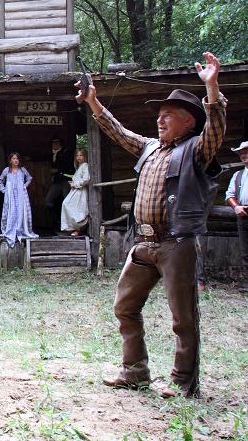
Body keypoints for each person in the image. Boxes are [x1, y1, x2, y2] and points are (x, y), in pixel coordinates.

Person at [79, 51, 224, 399]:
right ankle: (135, 372)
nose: (160, 121)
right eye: (159, 116)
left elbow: (215, 129)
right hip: (142, 244)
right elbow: (116, 131)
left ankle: (182, 381)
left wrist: (213, 88)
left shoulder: (197, 149)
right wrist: (94, 101)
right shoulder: (148, 148)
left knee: (183, 318)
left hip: (177, 243)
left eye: (168, 116)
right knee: (125, 307)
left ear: (189, 122)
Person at [0, 152, 38, 247]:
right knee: (10, 211)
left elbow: (29, 178)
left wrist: (24, 186)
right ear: (10, 160)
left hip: (21, 195)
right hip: (10, 196)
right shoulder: (7, 170)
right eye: (13, 158)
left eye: (17, 159)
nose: (15, 160)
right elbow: (0, 181)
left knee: (21, 211)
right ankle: (10, 230)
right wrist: (4, 190)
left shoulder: (22, 170)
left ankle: (20, 229)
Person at [225, 140, 248, 281]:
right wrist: (236, 207)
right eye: (241, 153)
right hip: (243, 216)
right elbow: (229, 195)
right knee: (246, 252)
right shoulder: (237, 175)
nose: (244, 155)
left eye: (246, 152)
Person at [45, 136, 74, 234]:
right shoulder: (52, 154)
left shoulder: (66, 153)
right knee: (48, 201)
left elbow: (68, 165)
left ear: (60, 144)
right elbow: (42, 156)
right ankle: (56, 222)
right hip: (57, 182)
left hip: (66, 180)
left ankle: (70, 226)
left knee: (67, 203)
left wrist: (57, 170)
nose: (55, 145)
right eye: (53, 143)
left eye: (57, 143)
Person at [61, 149, 91, 236]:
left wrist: (75, 184)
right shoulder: (79, 167)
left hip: (80, 191)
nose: (79, 157)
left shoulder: (85, 165)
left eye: (81, 155)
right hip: (75, 191)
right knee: (66, 204)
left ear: (85, 156)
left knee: (76, 209)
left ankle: (78, 229)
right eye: (77, 155)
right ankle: (73, 228)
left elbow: (86, 179)